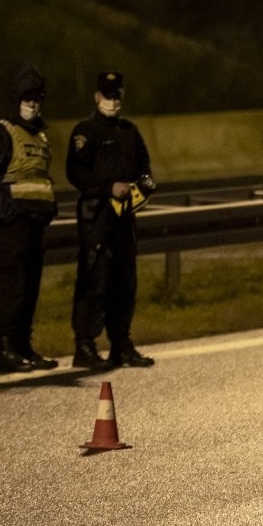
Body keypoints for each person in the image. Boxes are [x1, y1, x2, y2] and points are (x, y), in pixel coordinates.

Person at [0, 64, 60, 373]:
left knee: (30, 287)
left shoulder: (39, 136)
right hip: (12, 226)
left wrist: (48, 208)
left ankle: (24, 347)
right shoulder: (0, 133)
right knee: (12, 288)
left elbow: (39, 178)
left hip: (34, 225)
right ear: (15, 99)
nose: (32, 104)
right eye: (26, 98)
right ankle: (5, 350)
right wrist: (6, 213)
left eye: (37, 98)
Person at [68, 70, 157, 369]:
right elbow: (76, 173)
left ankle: (122, 344)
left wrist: (145, 186)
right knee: (95, 277)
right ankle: (85, 345)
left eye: (118, 95)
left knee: (125, 280)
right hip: (97, 215)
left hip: (124, 216)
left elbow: (144, 168)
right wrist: (109, 188)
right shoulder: (86, 131)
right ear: (97, 97)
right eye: (108, 96)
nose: (114, 101)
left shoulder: (130, 131)